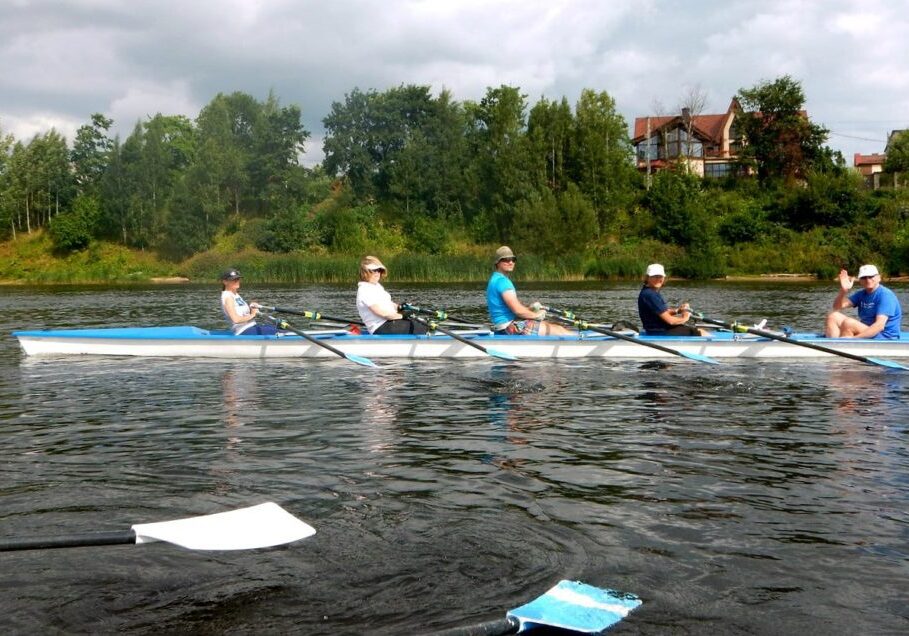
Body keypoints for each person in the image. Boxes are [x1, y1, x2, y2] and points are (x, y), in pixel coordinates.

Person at [486, 246, 573, 335]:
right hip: (509, 328)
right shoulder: (503, 282)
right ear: (497, 262)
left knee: (555, 326)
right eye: (506, 260)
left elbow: (513, 308)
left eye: (513, 259)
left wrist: (530, 309)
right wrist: (537, 315)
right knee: (559, 331)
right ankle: (580, 342)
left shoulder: (494, 279)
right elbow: (517, 311)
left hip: (505, 326)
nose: (510, 262)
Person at [825, 264, 902, 339]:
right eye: (864, 277)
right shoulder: (861, 294)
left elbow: (879, 326)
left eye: (871, 276)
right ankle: (832, 344)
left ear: (879, 278)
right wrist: (843, 291)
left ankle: (844, 345)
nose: (868, 280)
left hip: (885, 336)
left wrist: (854, 338)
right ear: (860, 280)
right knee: (833, 316)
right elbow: (836, 307)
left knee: (849, 323)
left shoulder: (885, 295)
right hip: (868, 331)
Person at [356, 256, 428, 335]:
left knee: (422, 322)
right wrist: (402, 316)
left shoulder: (376, 286)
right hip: (381, 327)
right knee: (420, 326)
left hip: (390, 322)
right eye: (374, 270)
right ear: (365, 272)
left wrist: (399, 307)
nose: (378, 273)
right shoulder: (365, 290)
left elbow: (388, 303)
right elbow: (383, 314)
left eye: (379, 270)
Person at [637, 263, 707, 336]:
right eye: (654, 276)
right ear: (647, 277)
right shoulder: (650, 295)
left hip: (659, 329)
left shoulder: (649, 291)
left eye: (660, 276)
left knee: (696, 329)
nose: (658, 279)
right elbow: (671, 321)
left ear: (664, 278)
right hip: (660, 332)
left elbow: (663, 312)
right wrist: (685, 317)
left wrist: (678, 311)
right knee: (701, 332)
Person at [220, 269, 278, 335]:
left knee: (279, 328)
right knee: (286, 332)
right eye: (233, 279)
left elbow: (243, 314)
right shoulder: (228, 297)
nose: (237, 281)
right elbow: (236, 319)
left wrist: (251, 308)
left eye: (238, 279)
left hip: (251, 327)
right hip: (243, 330)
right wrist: (253, 315)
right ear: (225, 282)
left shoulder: (235, 294)